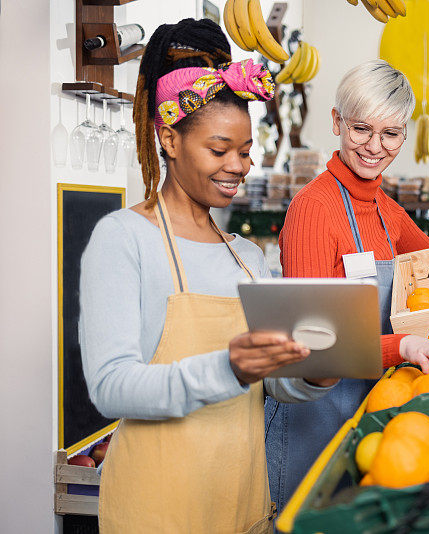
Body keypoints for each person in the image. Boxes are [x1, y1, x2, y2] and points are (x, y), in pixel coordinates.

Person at [79, 19, 337, 533]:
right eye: (219, 151)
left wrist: (314, 374)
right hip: (156, 514)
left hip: (242, 510)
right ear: (170, 140)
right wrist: (228, 369)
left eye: (244, 152)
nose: (237, 166)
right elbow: (111, 388)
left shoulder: (247, 256)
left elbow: (271, 387)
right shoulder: (125, 238)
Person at [268, 59, 429, 511]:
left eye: (391, 133)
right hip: (316, 419)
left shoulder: (387, 211)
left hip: (374, 415)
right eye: (361, 129)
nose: (374, 147)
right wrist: (402, 346)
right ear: (336, 123)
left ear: (405, 135)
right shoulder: (313, 209)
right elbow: (314, 341)